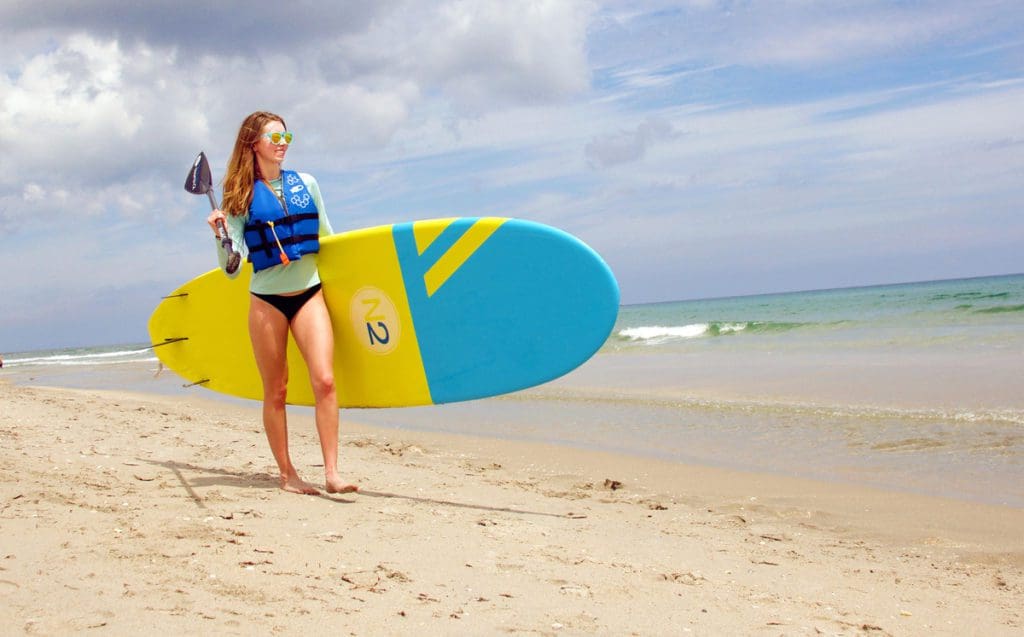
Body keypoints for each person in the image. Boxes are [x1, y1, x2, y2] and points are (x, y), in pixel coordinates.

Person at [207, 111, 357, 496]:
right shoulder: (238, 198)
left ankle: (332, 472)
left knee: (324, 380)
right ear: (253, 144)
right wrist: (221, 235)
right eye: (274, 137)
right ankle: (288, 474)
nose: (282, 143)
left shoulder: (307, 184)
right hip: (266, 301)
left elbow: (328, 236)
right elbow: (231, 269)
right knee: (276, 390)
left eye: (285, 136)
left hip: (310, 293)